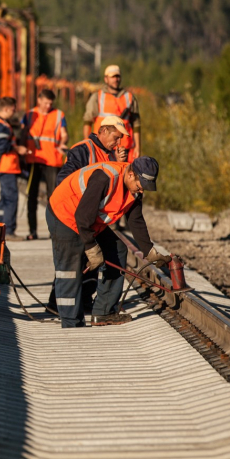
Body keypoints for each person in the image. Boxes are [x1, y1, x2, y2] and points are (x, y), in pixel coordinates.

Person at [46, 157, 171, 328]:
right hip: (64, 215)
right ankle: (71, 323)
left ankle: (104, 312)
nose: (141, 191)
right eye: (140, 185)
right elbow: (82, 218)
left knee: (117, 250)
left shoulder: (134, 190)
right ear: (131, 174)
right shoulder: (105, 178)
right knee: (70, 267)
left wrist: (149, 251)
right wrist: (91, 248)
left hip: (89, 220)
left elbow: (136, 220)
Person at [47, 116, 131, 313]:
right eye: (115, 137)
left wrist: (119, 163)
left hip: (91, 219)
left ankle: (84, 303)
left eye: (120, 139)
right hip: (75, 215)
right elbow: (64, 180)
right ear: (102, 131)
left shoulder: (108, 154)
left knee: (103, 253)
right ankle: (59, 305)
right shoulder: (83, 150)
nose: (118, 143)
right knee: (75, 259)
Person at [21, 89, 69, 240]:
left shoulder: (58, 115)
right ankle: (32, 231)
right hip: (34, 160)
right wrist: (22, 152)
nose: (48, 105)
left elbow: (64, 134)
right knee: (32, 196)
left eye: (50, 103)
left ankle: (53, 231)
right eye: (46, 102)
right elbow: (23, 134)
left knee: (53, 197)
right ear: (39, 99)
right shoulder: (29, 115)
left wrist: (63, 143)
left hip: (52, 160)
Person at [0, 96, 26, 239]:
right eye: (13, 109)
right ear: (7, 109)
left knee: (4, 199)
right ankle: (8, 231)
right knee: (11, 199)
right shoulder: (1, 125)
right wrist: (17, 149)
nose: (14, 112)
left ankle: (1, 228)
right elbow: (2, 146)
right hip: (7, 167)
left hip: (4, 167)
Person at [84, 65, 141, 162]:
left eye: (118, 76)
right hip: (103, 148)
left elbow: (136, 125)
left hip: (124, 149)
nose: (116, 79)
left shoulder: (129, 97)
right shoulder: (97, 97)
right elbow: (87, 122)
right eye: (112, 77)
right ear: (106, 79)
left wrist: (138, 147)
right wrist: (87, 144)